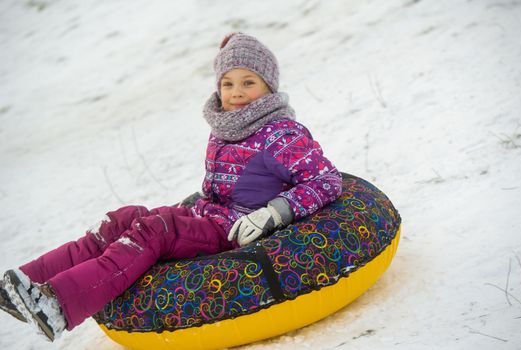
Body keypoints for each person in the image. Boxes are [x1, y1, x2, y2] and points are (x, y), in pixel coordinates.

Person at [0, 32, 342, 342]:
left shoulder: (281, 134)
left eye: (248, 82)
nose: (236, 92)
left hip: (237, 229)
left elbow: (326, 179)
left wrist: (273, 213)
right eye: (227, 83)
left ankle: (58, 306)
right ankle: (26, 283)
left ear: (269, 86)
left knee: (155, 231)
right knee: (123, 218)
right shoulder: (229, 125)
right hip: (210, 215)